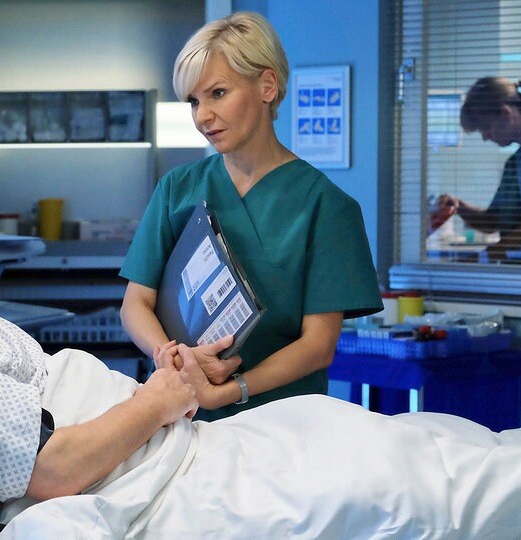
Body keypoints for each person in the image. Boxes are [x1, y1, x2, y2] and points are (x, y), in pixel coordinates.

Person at [0, 118, 521, 538]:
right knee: (421, 485)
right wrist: (162, 397)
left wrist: (174, 387)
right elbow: (46, 472)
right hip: (160, 476)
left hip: (179, 438)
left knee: (419, 444)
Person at [119, 12, 382, 420]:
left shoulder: (326, 206)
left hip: (282, 423)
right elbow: (136, 303)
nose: (202, 116)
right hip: (180, 412)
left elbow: (318, 345)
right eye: (194, 101)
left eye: (218, 93)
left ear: (267, 86)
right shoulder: (177, 189)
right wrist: (172, 358)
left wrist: (231, 391)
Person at [433, 77, 521, 262]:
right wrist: (459, 207)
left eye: (486, 127)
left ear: (506, 114)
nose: (485, 137)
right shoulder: (518, 160)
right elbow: (492, 222)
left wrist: (475, 260)